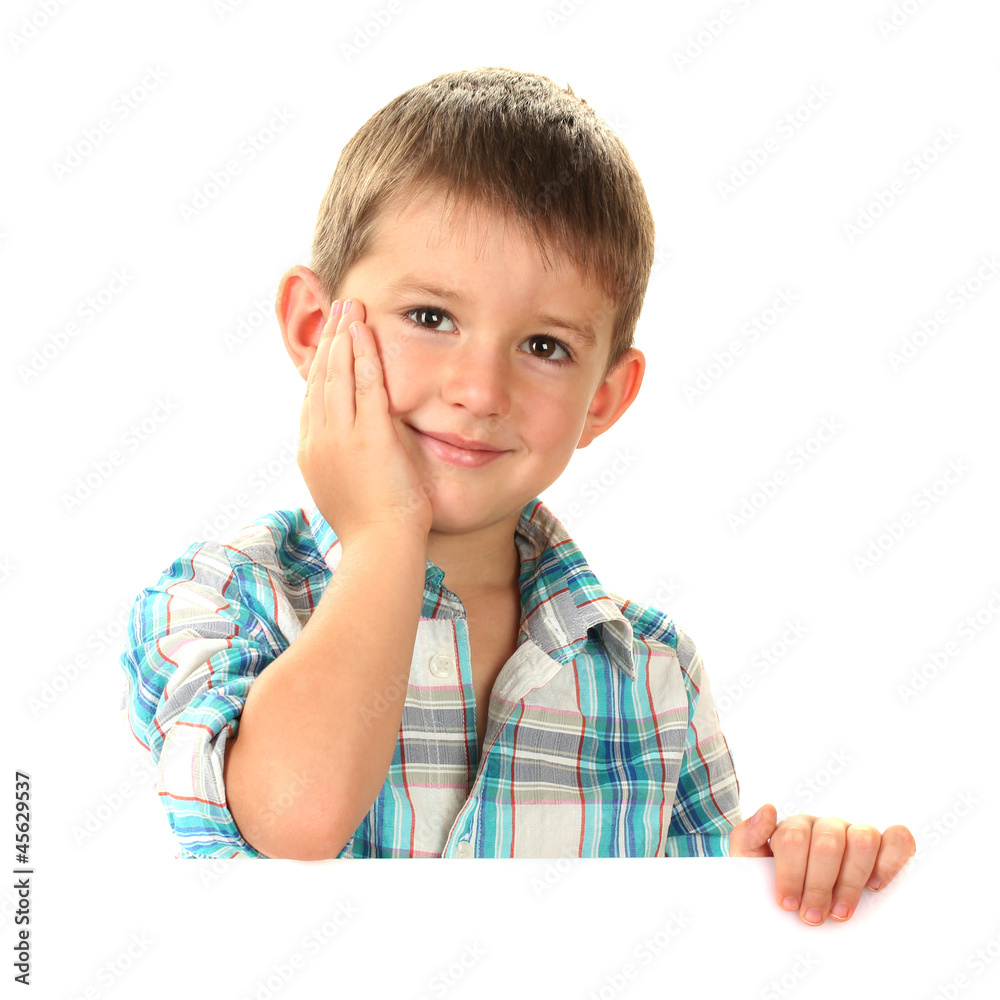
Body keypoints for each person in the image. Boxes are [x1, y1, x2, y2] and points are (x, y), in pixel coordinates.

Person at [119, 66, 914, 924]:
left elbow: (692, 941)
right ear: (316, 328)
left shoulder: (654, 673)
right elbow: (293, 818)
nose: (480, 389)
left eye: (544, 346)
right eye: (431, 317)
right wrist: (384, 532)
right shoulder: (224, 597)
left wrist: (782, 878)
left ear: (603, 397)